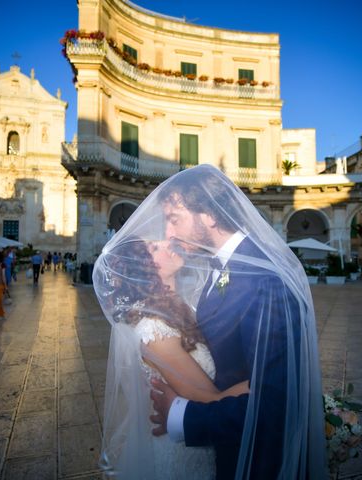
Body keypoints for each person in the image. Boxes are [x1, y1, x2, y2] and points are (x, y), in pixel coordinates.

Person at [93, 165, 326, 479]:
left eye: (174, 219)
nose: (169, 234)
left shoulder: (264, 280)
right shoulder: (218, 274)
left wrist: (182, 416)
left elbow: (275, 402)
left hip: (256, 460)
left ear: (209, 215)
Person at [95, 238, 249, 479]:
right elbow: (212, 399)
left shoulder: (182, 306)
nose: (167, 242)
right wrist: (267, 383)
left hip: (201, 439)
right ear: (147, 268)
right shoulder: (153, 330)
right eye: (155, 247)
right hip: (183, 454)